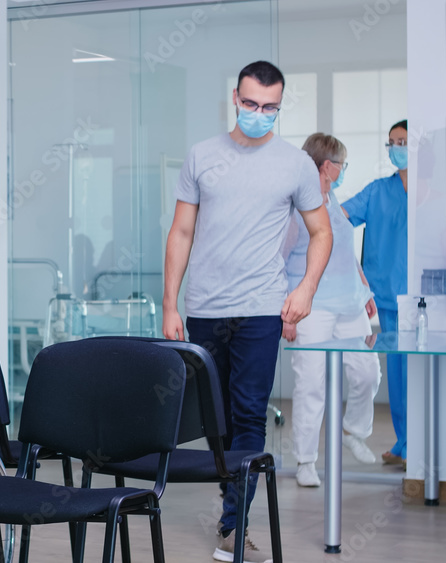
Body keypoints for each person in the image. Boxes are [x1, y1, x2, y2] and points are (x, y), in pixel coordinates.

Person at [162, 60, 332, 563]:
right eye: (252, 104)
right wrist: (170, 302)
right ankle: (229, 495)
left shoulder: (295, 164)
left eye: (271, 108)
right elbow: (181, 233)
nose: (260, 114)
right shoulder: (202, 156)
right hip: (205, 309)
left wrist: (305, 290)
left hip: (260, 308)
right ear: (235, 98)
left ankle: (234, 526)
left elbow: (322, 233)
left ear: (280, 105)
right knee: (212, 419)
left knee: (249, 415)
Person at [283, 133, 382, 488]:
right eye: (341, 163)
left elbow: (343, 251)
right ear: (327, 166)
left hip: (349, 303)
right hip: (312, 309)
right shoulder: (297, 207)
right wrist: (288, 313)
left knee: (367, 371)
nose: (343, 169)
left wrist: (364, 288)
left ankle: (354, 430)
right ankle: (306, 461)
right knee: (312, 385)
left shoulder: (333, 197)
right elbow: (279, 261)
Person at [341, 119, 409, 467]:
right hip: (386, 293)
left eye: (403, 141)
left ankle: (421, 444)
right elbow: (339, 218)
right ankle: (404, 445)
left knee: (424, 373)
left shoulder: (433, 189)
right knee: (397, 373)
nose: (397, 148)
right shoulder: (378, 190)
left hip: (423, 294)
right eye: (392, 143)